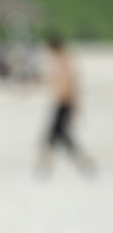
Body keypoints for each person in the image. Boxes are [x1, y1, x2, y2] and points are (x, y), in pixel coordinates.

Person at [36, 33, 97, 177]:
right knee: (59, 136)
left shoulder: (63, 60)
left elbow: (71, 84)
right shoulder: (60, 59)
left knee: (55, 135)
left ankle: (47, 164)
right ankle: (48, 164)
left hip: (65, 102)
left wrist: (74, 105)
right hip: (61, 102)